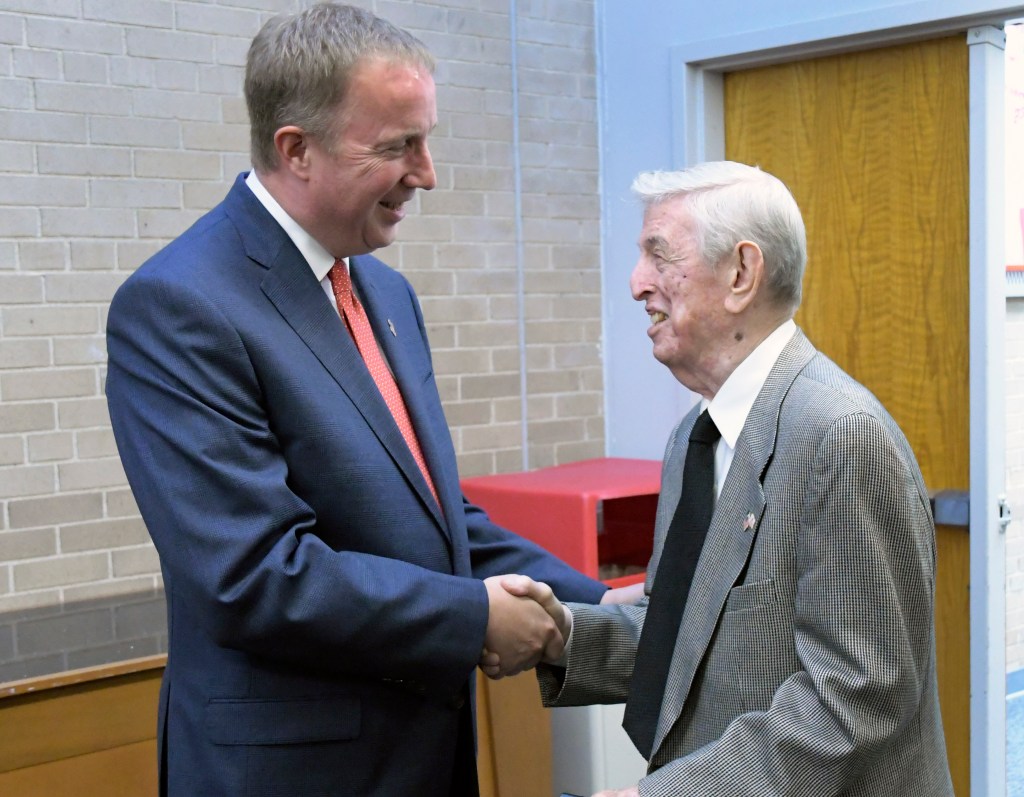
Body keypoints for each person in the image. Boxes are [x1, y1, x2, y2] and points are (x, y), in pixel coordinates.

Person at [105, 4, 619, 795]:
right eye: (397, 146)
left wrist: (615, 614)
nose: (427, 172)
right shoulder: (180, 305)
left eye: (426, 138)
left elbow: (441, 524)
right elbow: (256, 575)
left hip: (419, 757)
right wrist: (475, 618)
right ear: (296, 150)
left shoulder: (383, 291)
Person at [517, 161, 955, 796]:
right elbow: (686, 637)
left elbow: (857, 702)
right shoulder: (693, 440)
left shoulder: (840, 434)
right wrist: (559, 636)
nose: (637, 283)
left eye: (658, 255)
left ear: (742, 274)